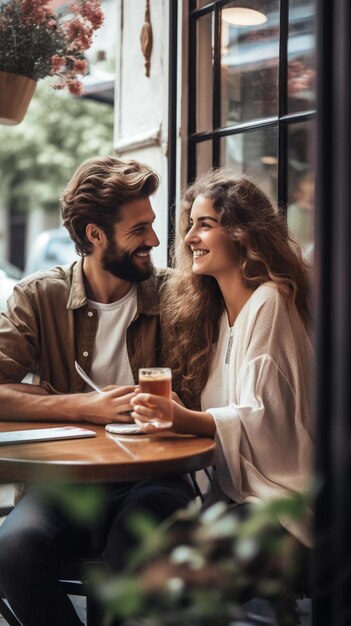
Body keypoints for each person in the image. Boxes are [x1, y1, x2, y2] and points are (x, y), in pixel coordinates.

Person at [0, 156, 194, 626]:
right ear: (95, 235)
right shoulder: (38, 296)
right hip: (66, 482)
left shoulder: (174, 295)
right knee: (12, 553)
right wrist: (85, 406)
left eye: (151, 225)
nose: (153, 239)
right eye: (139, 229)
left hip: (157, 475)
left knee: (133, 553)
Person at [132, 170, 314, 548]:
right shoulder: (218, 316)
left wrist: (185, 419)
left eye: (205, 225)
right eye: (190, 225)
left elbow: (267, 419)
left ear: (242, 232)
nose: (190, 237)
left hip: (285, 500)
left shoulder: (270, 301)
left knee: (178, 567)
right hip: (238, 494)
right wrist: (182, 410)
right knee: (149, 550)